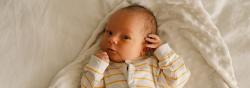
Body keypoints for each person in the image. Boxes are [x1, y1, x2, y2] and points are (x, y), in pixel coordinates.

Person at [81, 4, 190, 88]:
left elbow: (178, 78)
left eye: (125, 37)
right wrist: (97, 67)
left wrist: (162, 51)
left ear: (146, 46)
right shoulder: (105, 69)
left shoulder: (152, 66)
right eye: (109, 32)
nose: (112, 39)